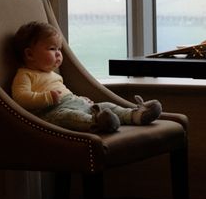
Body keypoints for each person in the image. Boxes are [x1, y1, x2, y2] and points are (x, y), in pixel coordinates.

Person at [11, 21, 163, 133]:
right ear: (30, 54)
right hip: (52, 113)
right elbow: (20, 98)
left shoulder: (52, 74)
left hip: (74, 103)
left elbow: (64, 93)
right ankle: (98, 123)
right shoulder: (24, 75)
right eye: (52, 49)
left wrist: (80, 99)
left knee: (105, 106)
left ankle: (135, 115)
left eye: (59, 49)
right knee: (70, 117)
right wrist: (46, 98)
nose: (58, 53)